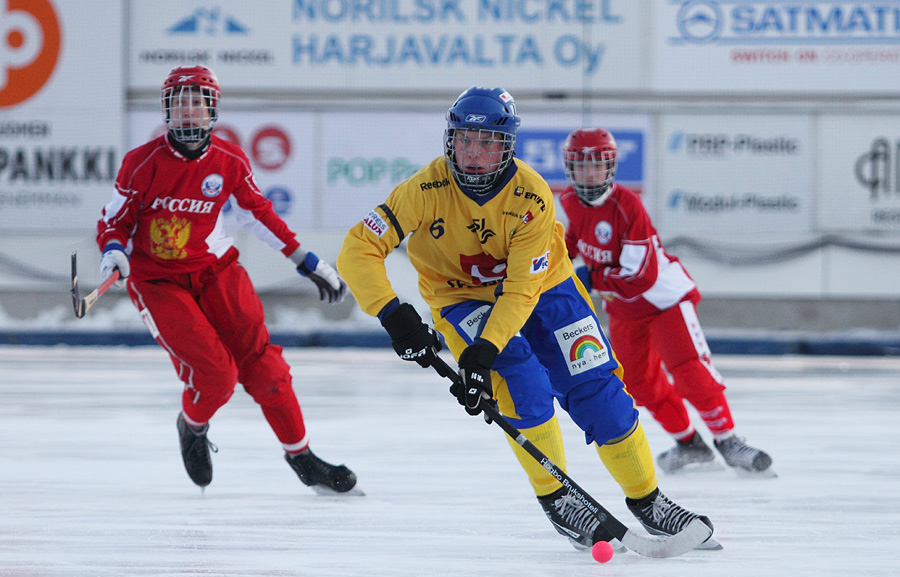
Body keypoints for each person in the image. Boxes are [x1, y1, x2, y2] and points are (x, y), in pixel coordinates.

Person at [337, 87, 717, 551]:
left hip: (544, 288)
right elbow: (358, 249)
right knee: (522, 384)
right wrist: (393, 314)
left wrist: (482, 350)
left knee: (598, 389)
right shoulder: (423, 188)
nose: (473, 154)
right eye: (464, 140)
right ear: (449, 140)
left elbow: (519, 291)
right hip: (461, 298)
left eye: (487, 142)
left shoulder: (532, 196)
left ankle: (649, 500)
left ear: (507, 146)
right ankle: (558, 497)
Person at [96, 65, 358, 494]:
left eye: (196, 103)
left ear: (211, 109)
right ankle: (192, 427)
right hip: (158, 280)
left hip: (215, 269)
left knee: (267, 371)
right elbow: (115, 222)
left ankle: (302, 457)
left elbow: (258, 213)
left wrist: (305, 259)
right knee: (215, 376)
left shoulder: (229, 159)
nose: (187, 113)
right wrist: (113, 250)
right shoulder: (139, 163)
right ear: (167, 110)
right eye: (179, 103)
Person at [558, 126, 774, 476]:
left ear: (610, 166)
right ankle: (690, 444)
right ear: (569, 168)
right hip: (623, 307)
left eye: (597, 165)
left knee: (690, 371)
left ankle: (728, 440)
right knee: (637, 383)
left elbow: (641, 274)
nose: (589, 173)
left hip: (663, 300)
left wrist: (590, 278)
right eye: (581, 166)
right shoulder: (569, 201)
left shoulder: (626, 205)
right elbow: (576, 240)